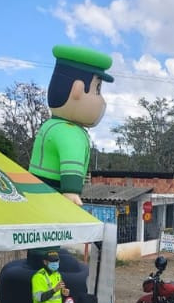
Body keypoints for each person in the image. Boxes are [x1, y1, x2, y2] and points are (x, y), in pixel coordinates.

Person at [29, 45, 114, 206]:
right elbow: (71, 162)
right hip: (53, 194)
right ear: (78, 90)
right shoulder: (68, 131)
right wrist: (71, 191)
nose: (102, 100)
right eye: (97, 90)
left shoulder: (51, 126)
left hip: (36, 192)